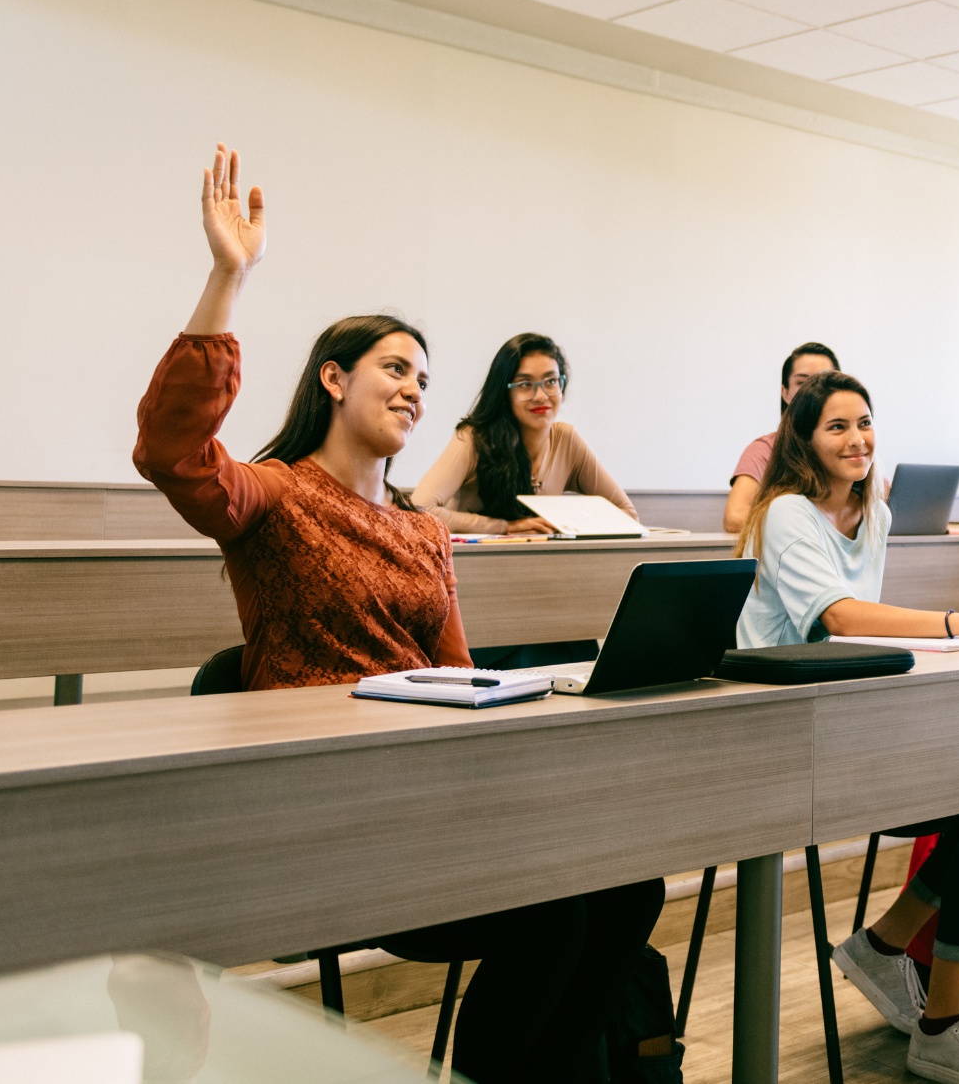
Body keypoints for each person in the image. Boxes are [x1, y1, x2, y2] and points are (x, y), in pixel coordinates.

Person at [133, 146, 665, 1084]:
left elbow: (459, 680)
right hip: (333, 811)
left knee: (629, 888)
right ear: (334, 380)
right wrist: (229, 275)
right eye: (395, 368)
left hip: (435, 798)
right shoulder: (275, 496)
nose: (417, 388)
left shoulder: (422, 534)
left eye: (425, 376)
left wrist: (545, 703)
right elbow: (171, 450)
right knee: (555, 916)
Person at [733, 370, 959, 1084]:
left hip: (845, 713)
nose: (857, 438)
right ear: (804, 442)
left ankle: (902, 964)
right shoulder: (785, 513)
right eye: (836, 426)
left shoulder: (871, 512)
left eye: (865, 423)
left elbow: (855, 644)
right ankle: (926, 1004)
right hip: (779, 730)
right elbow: (838, 619)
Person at [413, 334, 638, 536]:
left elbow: (627, 514)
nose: (541, 396)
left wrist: (566, 522)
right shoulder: (474, 438)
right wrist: (505, 526)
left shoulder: (566, 440)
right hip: (475, 569)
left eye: (551, 381)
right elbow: (419, 509)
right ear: (504, 393)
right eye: (524, 384)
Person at [723, 341, 838, 534]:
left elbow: (889, 507)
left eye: (825, 383)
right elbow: (735, 517)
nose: (814, 392)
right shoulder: (764, 449)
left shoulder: (852, 447)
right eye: (802, 382)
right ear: (785, 392)